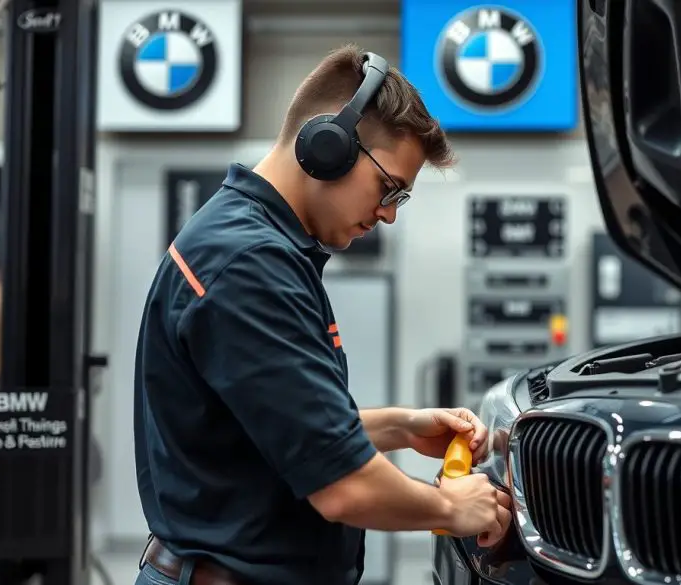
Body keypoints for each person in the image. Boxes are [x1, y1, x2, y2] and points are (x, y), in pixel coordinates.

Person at [131, 44, 512, 585]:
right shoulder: (249, 263)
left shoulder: (250, 242)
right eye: (389, 188)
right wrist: (453, 508)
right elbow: (343, 488)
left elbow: (276, 428)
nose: (388, 214)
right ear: (326, 146)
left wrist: (403, 426)